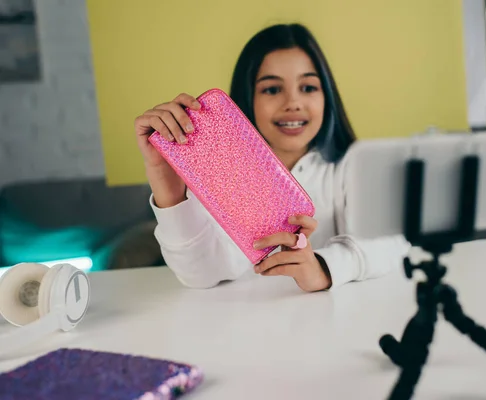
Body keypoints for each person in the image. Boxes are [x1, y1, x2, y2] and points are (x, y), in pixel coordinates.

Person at [133, 23, 410, 292]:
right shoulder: (216, 175)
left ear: (327, 96)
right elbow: (200, 275)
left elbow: (392, 241)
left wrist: (323, 268)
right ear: (248, 98)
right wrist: (165, 185)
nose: (292, 102)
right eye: (272, 89)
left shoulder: (355, 165)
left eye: (309, 87)